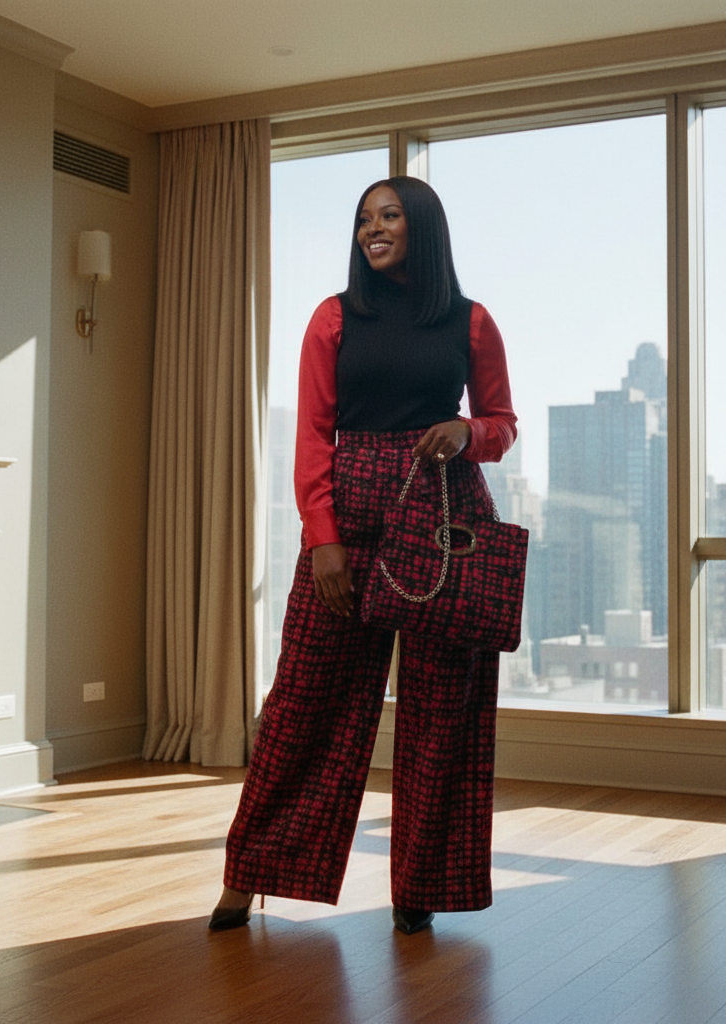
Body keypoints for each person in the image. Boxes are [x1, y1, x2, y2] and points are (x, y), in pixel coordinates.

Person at [209, 176, 517, 935]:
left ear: (423, 228)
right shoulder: (332, 318)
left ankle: (421, 889)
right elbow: (313, 436)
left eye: (388, 218)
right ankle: (249, 877)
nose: (372, 230)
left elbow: (502, 422)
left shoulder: (471, 322)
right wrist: (323, 540)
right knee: (304, 702)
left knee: (446, 713)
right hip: (347, 515)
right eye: (363, 220)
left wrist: (466, 434)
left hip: (445, 516)